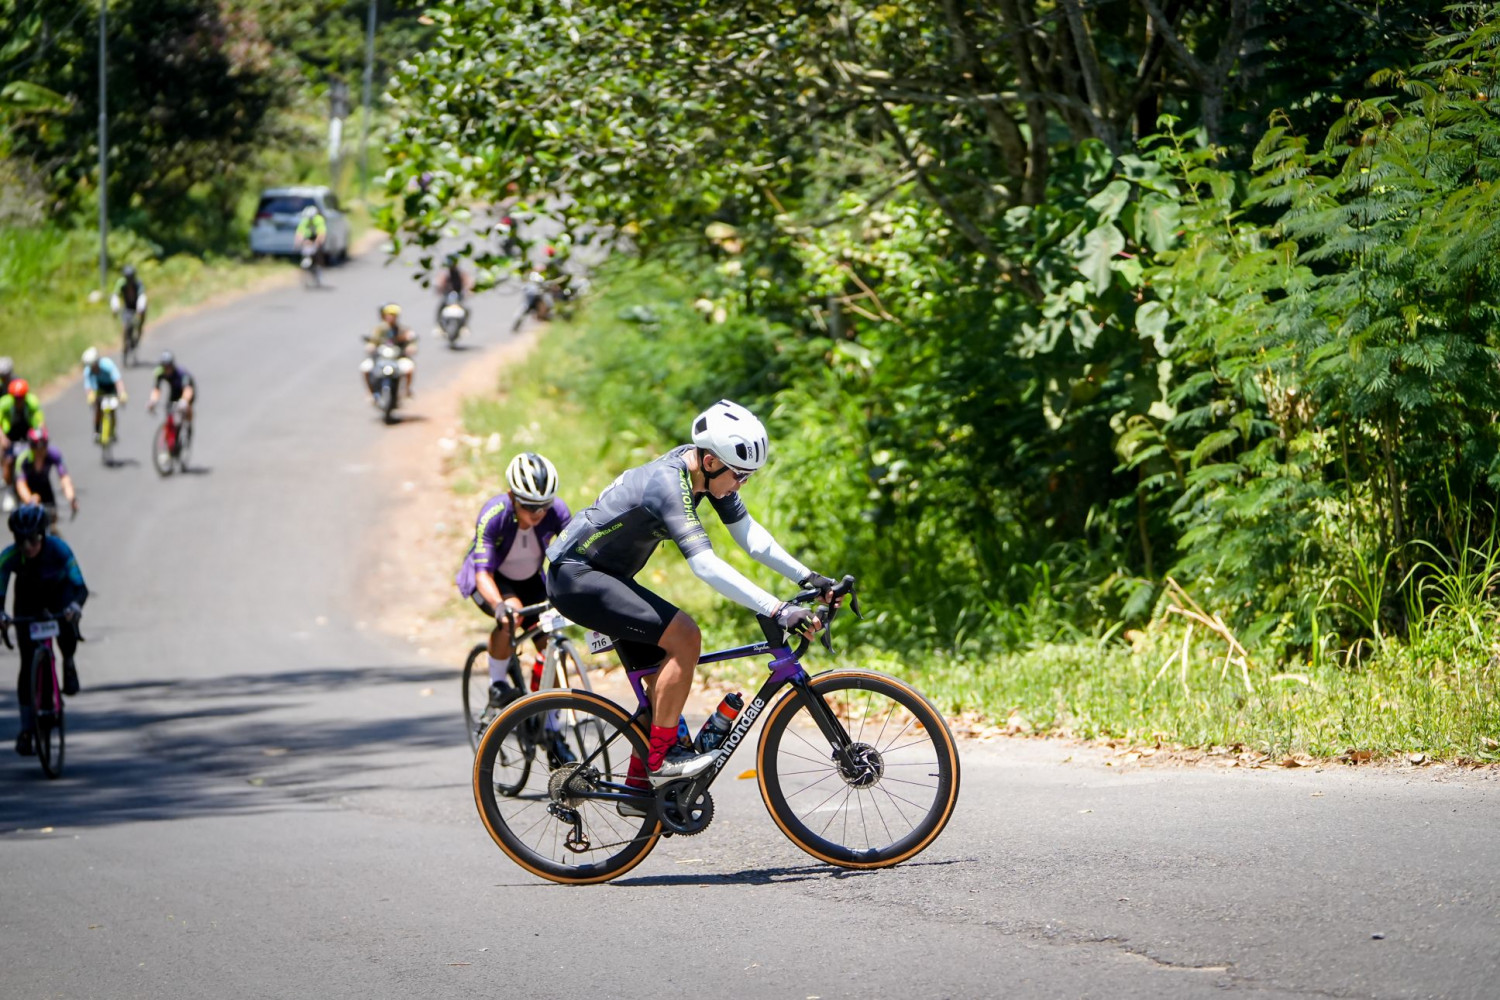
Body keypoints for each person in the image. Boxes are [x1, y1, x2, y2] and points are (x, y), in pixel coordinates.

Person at [545, 400, 835, 811]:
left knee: (660, 687)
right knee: (685, 637)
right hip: (577, 578)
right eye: (740, 476)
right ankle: (663, 761)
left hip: (606, 577)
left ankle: (640, 793)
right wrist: (777, 609)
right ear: (712, 461)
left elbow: (750, 536)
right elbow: (705, 565)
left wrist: (809, 578)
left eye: (748, 477)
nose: (741, 485)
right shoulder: (670, 483)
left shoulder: (704, 472)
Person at [455, 453, 573, 758]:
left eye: (544, 506)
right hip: (492, 579)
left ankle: (551, 730)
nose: (538, 514)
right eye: (530, 507)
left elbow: (575, 554)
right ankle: (497, 682)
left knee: (552, 645)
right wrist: (498, 605)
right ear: (512, 497)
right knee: (511, 617)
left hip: (531, 579)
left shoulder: (557, 511)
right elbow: (483, 573)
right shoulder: (494, 513)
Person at [1, 503, 87, 755]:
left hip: (58, 594)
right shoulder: (9, 556)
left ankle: (68, 661)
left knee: (67, 626)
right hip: (27, 600)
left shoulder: (59, 549)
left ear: (43, 535)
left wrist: (75, 606)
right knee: (27, 662)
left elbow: (80, 587)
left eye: (33, 539)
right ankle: (27, 729)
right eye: (21, 541)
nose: (27, 546)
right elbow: (0, 589)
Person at [15, 429, 77, 523]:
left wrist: (71, 497)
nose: (40, 452)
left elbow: (64, 478)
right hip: (27, 490)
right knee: (29, 522)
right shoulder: (23, 458)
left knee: (52, 519)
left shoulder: (53, 454)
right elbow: (21, 484)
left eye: (43, 447)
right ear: (31, 447)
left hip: (44, 486)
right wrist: (30, 499)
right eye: (36, 449)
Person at [362, 303, 418, 399]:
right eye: (388, 315)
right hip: (381, 358)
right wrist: (371, 346)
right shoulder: (379, 329)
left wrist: (411, 347)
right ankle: (370, 392)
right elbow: (372, 341)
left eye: (393, 315)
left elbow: (411, 342)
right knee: (365, 368)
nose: (391, 317)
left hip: (397, 358)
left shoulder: (403, 330)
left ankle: (407, 390)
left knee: (409, 368)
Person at [0, 379, 45, 496]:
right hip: (10, 435)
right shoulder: (4, 404)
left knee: (35, 457)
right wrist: (2, 438)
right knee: (8, 460)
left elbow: (40, 421)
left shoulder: (32, 402)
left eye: (21, 398)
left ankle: (35, 486)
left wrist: (41, 436)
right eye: (16, 398)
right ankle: (9, 488)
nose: (18, 401)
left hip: (27, 434)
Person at [147, 351, 196, 444]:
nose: (166, 369)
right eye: (164, 367)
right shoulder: (160, 372)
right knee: (170, 412)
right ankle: (171, 439)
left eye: (168, 367)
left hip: (187, 391)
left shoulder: (181, 373)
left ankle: (189, 425)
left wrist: (184, 401)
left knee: (186, 407)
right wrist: (152, 401)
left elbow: (188, 389)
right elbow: (156, 389)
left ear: (172, 365)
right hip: (174, 391)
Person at [81, 347, 128, 441]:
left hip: (111, 387)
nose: (93, 369)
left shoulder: (107, 364)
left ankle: (113, 431)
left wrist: (122, 393)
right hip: (100, 387)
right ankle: (96, 431)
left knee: (112, 409)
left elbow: (118, 380)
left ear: (97, 362)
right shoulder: (88, 371)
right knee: (98, 408)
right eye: (91, 367)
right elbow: (88, 386)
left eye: (94, 366)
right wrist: (90, 396)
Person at [110, 264, 149, 339]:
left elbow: (142, 296)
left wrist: (140, 308)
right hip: (127, 306)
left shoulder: (138, 283)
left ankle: (139, 328)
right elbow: (115, 295)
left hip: (137, 305)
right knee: (125, 324)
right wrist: (115, 307)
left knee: (141, 314)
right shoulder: (121, 283)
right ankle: (126, 338)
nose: (129, 279)